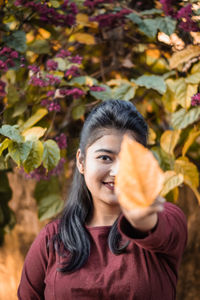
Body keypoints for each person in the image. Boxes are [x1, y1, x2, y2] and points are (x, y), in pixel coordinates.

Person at [17, 99, 187, 300]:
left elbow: (159, 226)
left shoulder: (166, 221)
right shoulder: (51, 240)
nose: (117, 172)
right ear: (81, 161)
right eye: (105, 158)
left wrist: (143, 220)